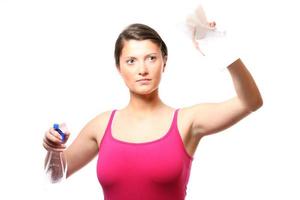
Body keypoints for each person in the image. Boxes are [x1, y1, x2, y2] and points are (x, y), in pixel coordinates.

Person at [43, 22, 263, 199]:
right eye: (131, 61)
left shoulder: (187, 122)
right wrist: (53, 149)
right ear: (119, 68)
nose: (142, 70)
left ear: (164, 63)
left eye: (151, 58)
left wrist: (222, 50)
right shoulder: (101, 126)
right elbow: (55, 175)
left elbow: (250, 102)